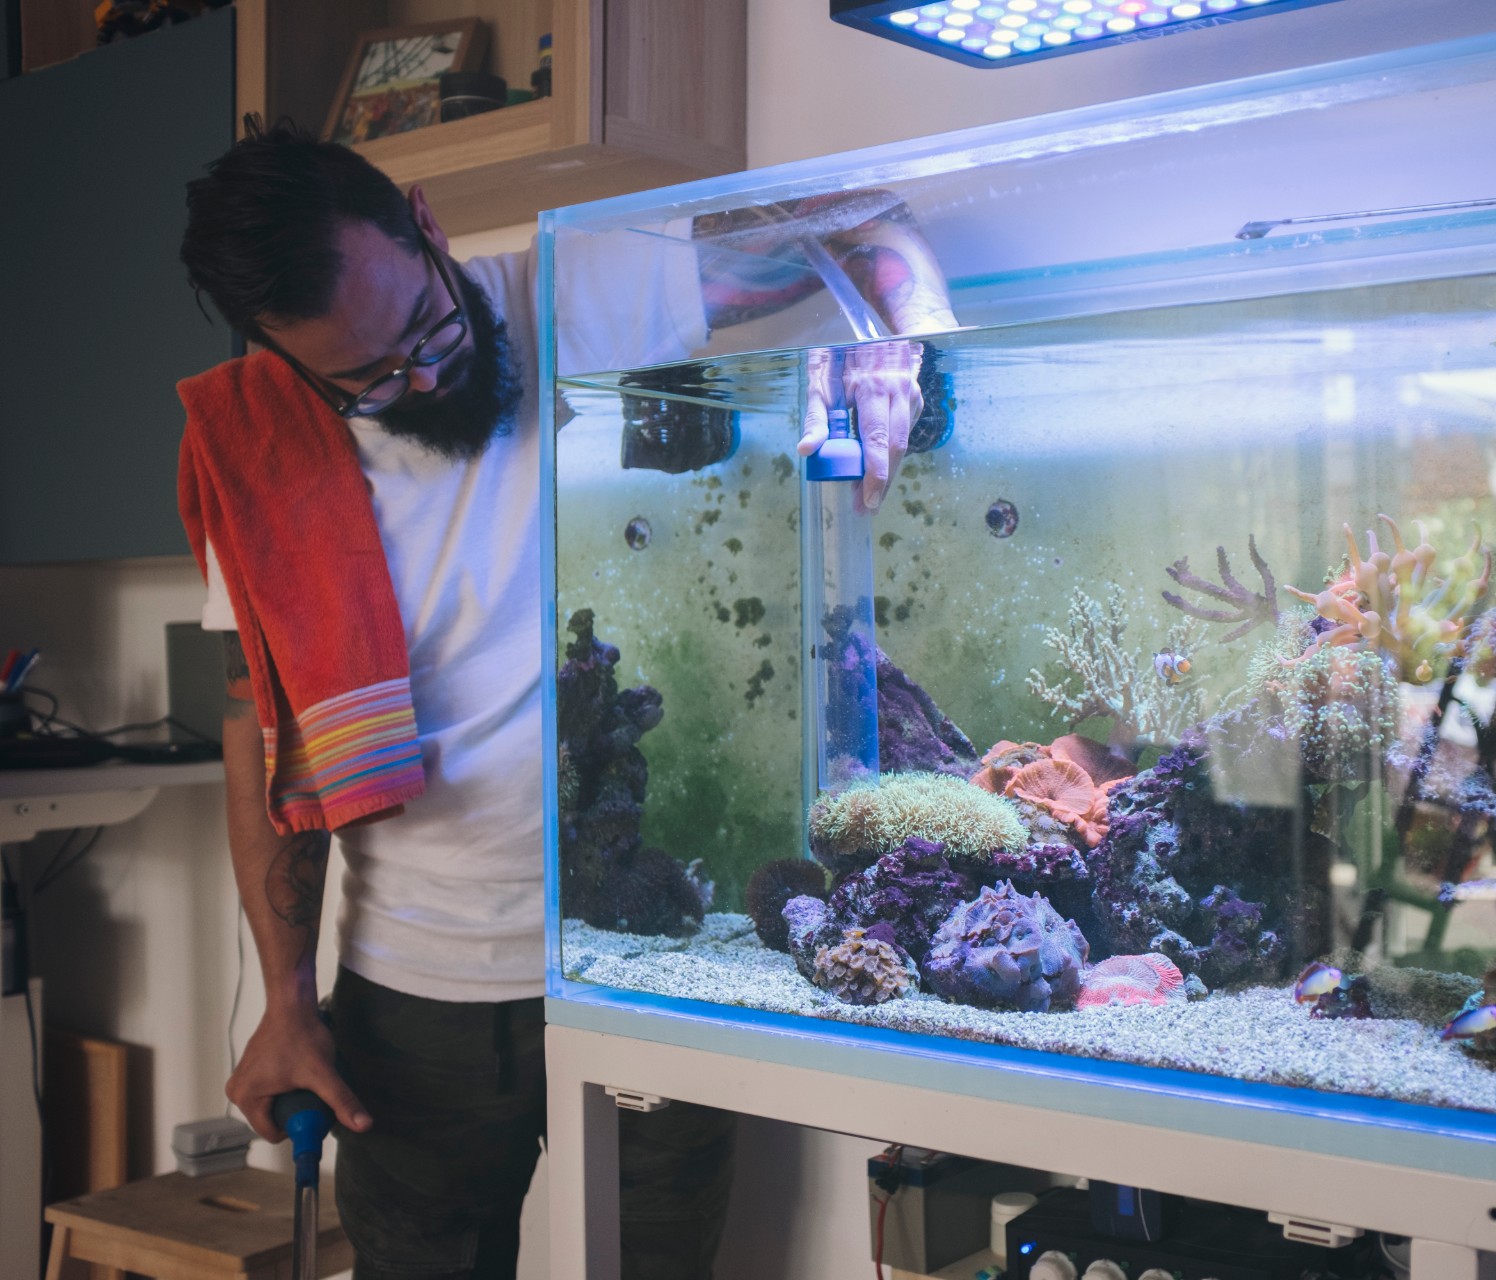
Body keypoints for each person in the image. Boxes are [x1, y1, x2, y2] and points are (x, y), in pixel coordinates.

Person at [177, 117, 956, 1280]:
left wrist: (907, 338)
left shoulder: (573, 292)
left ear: (429, 228)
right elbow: (262, 731)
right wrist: (287, 999)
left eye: (425, 328)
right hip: (412, 996)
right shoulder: (255, 445)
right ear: (288, 365)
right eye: (366, 379)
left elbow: (867, 215)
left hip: (637, 957)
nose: (421, 377)